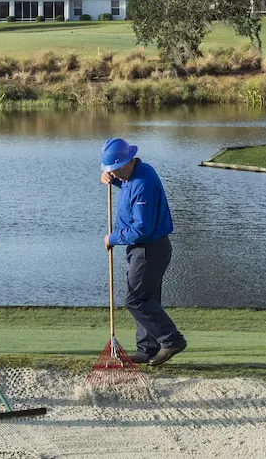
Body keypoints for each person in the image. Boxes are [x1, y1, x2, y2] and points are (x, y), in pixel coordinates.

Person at [99, 138, 187, 366]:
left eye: (115, 170)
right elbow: (126, 185)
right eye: (110, 171)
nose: (114, 174)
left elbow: (141, 229)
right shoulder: (133, 174)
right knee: (147, 298)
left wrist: (113, 237)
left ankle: (171, 340)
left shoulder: (142, 183)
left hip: (149, 249)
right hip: (145, 248)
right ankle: (148, 349)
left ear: (128, 162)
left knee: (135, 299)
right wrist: (112, 180)